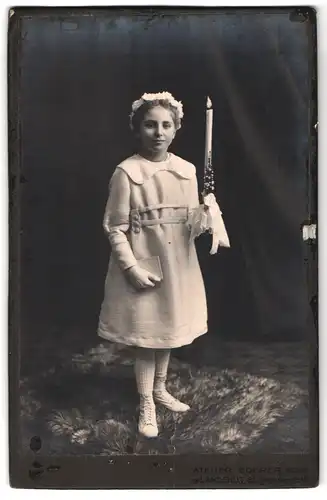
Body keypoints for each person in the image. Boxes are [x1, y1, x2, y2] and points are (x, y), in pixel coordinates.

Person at [98, 91, 209, 438]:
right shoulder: (127, 172)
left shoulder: (188, 171)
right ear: (137, 129)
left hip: (178, 263)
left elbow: (192, 225)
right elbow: (114, 226)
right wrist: (131, 267)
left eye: (166, 125)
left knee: (167, 329)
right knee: (147, 336)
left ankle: (160, 389)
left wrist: (208, 215)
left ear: (176, 129)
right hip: (145, 260)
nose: (158, 132)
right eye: (150, 125)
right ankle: (145, 400)